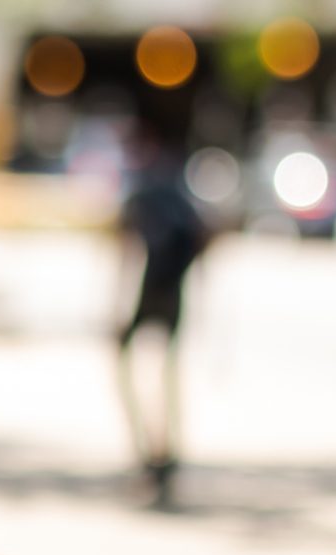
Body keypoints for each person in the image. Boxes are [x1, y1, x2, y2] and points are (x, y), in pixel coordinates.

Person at [114, 125, 206, 509]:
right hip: (173, 295)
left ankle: (150, 454)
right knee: (165, 375)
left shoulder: (138, 196)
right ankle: (165, 450)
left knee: (131, 373)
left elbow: (125, 255)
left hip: (146, 293)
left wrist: (116, 306)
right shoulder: (181, 197)